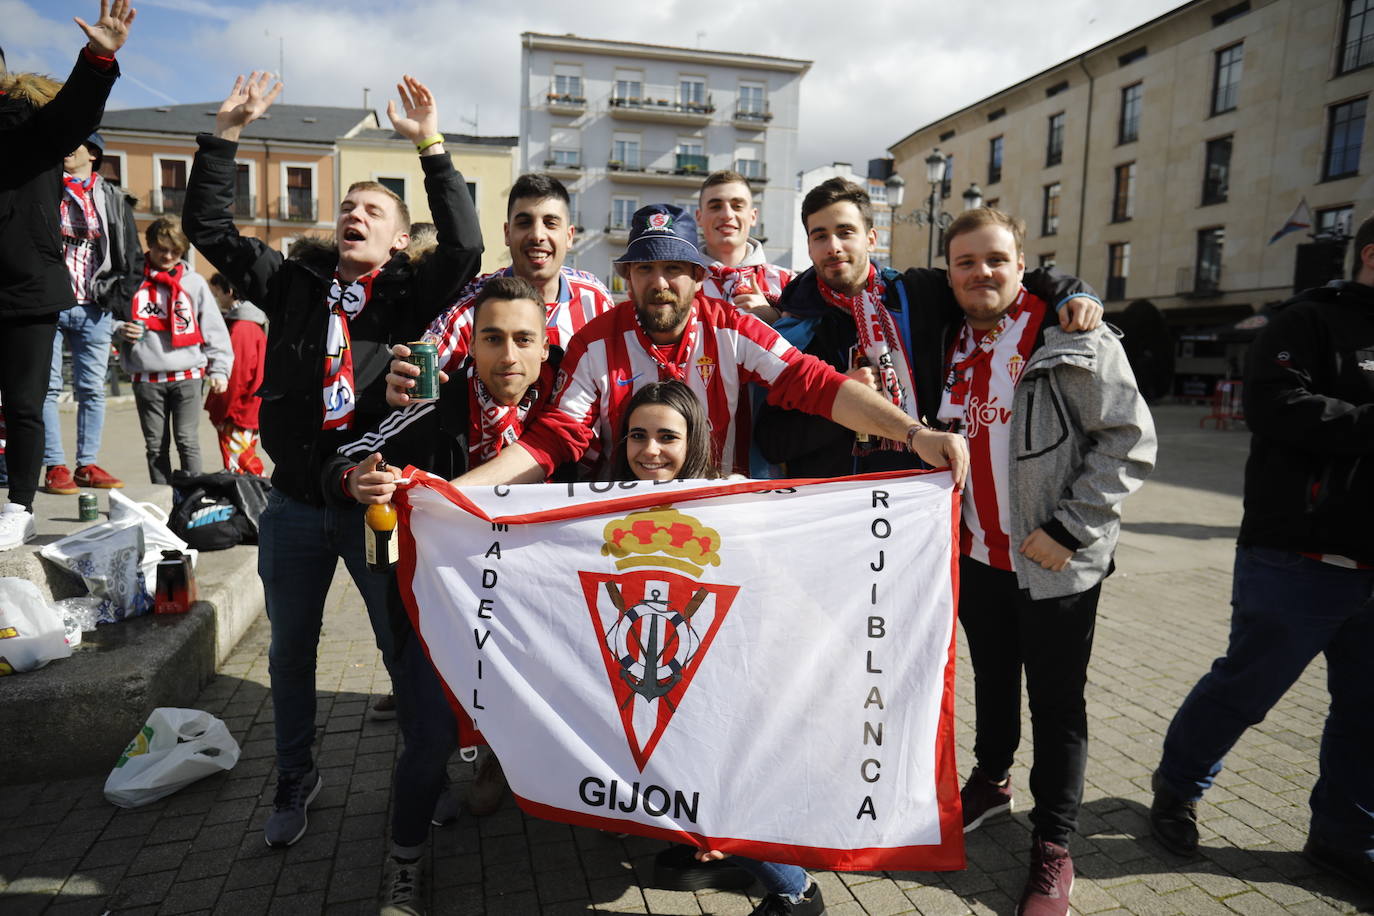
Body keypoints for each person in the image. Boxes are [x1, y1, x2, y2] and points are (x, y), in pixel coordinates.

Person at [182, 70, 484, 849]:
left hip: (375, 510)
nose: (355, 214)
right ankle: (294, 773)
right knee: (290, 651)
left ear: (396, 237)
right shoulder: (291, 283)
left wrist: (430, 144)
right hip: (290, 507)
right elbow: (210, 231)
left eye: (374, 210)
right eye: (348, 206)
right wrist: (226, 134)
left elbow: (469, 244)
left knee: (397, 642)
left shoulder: (407, 296)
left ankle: (425, 770)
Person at [395, 203, 968, 489]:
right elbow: (553, 439)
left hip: (721, 515)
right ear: (627, 277)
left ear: (699, 276)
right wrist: (457, 495)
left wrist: (916, 435)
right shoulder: (599, 340)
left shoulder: (731, 328)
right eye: (645, 268)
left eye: (675, 267)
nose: (660, 282)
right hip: (628, 518)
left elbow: (814, 384)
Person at [934, 208, 1154, 916]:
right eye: (965, 262)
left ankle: (1055, 844)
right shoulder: (942, 340)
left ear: (1021, 264)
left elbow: (1128, 439)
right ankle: (991, 784)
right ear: (949, 273)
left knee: (1057, 705)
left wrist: (1069, 528)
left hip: (1054, 561)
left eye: (995, 259)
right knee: (993, 680)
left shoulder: (1068, 332)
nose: (981, 274)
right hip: (978, 558)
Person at [1149, 213, 1374, 892]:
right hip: (1300, 556)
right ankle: (1177, 788)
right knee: (1245, 690)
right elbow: (1274, 405)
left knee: (1367, 712)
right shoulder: (1309, 321)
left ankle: (1344, 836)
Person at [329, 277, 568, 915]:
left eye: (524, 340)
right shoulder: (433, 404)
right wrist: (357, 480)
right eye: (492, 339)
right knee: (430, 739)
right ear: (472, 342)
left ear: (547, 347)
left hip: (536, 616)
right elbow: (347, 455)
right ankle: (403, 864)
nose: (508, 357)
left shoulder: (570, 408)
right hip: (435, 612)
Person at [756, 178, 1102, 479]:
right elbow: (773, 442)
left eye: (846, 232)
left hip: (919, 500)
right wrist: (839, 401)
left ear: (871, 238)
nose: (834, 246)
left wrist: (1070, 291)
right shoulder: (794, 331)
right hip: (838, 510)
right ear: (810, 248)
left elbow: (991, 278)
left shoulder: (919, 295)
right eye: (821, 236)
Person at [0, 0, 135, 550]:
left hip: (25, 285)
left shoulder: (24, 122)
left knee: (26, 403)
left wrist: (97, 60)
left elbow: (73, 119)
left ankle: (18, 507)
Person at [402, 173, 615, 382]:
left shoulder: (594, 297)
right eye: (524, 223)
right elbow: (420, 376)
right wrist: (405, 381)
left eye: (550, 223)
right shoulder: (474, 303)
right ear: (507, 233)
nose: (537, 235)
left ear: (569, 236)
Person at [41, 130, 141, 495]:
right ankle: (55, 466)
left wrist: (120, 303)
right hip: (49, 303)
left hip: (95, 309)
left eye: (74, 144)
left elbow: (133, 257)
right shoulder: (45, 189)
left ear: (92, 154)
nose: (66, 151)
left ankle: (86, 465)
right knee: (47, 389)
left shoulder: (112, 198)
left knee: (91, 390)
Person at [114, 218, 232, 483]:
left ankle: (193, 498)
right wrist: (120, 328)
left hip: (187, 376)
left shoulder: (194, 283)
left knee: (187, 441)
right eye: (161, 249)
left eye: (175, 252)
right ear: (150, 246)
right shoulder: (131, 279)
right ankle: (162, 503)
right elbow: (109, 316)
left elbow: (214, 329)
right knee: (156, 446)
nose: (167, 256)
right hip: (146, 378)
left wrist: (220, 369)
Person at [695, 170, 790, 324]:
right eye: (715, 206)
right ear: (699, 217)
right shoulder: (680, 282)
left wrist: (775, 320)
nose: (726, 214)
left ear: (753, 217)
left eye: (737, 206)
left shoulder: (790, 284)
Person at [204, 273, 267, 475]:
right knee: (244, 462)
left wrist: (223, 410)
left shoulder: (241, 328)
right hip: (249, 407)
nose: (217, 299)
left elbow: (237, 376)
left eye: (218, 293)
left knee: (242, 466)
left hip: (238, 410)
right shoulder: (252, 324)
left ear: (229, 292)